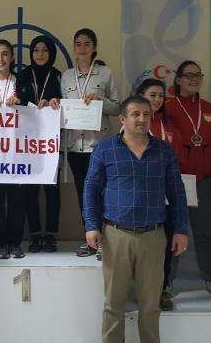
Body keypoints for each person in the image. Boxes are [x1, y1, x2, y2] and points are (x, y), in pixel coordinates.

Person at [83, 96, 188, 343]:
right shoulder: (105, 149)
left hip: (153, 236)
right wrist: (91, 226)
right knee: (113, 304)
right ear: (123, 119)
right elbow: (90, 190)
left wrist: (181, 229)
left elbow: (177, 193)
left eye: (146, 114)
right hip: (115, 235)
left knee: (150, 306)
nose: (142, 119)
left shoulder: (163, 150)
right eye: (136, 114)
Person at [164, 60, 211, 299]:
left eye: (198, 75)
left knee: (205, 232)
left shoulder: (210, 109)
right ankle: (166, 283)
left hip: (205, 180)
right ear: (178, 79)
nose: (194, 79)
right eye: (188, 75)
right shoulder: (168, 108)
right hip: (177, 180)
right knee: (173, 232)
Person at [61, 28, 120, 257]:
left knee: (102, 193)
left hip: (99, 146)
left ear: (94, 47)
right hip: (75, 145)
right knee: (83, 195)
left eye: (87, 44)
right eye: (78, 44)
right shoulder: (66, 76)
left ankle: (107, 242)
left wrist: (100, 100)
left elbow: (118, 108)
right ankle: (91, 240)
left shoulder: (105, 73)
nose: (82, 48)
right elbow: (62, 110)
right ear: (74, 48)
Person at [134, 78, 184, 311]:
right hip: (143, 196)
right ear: (141, 96)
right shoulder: (134, 124)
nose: (157, 100)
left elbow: (178, 156)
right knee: (142, 246)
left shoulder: (170, 124)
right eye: (152, 95)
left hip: (168, 194)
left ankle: (162, 288)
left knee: (166, 244)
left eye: (160, 96)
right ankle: (140, 290)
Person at [17, 35, 62, 253]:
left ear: (51, 53)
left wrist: (57, 101)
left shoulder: (58, 76)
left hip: (50, 142)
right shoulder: (23, 75)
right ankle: (34, 234)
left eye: (44, 50)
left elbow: (67, 104)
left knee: (52, 190)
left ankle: (51, 235)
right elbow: (18, 102)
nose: (40, 54)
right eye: (36, 50)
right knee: (30, 190)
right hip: (26, 142)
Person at [0, 39, 24, 259]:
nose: (0, 59)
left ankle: (15, 242)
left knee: (17, 198)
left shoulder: (21, 82)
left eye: (5, 54)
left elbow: (33, 109)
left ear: (12, 58)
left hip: (18, 150)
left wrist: (21, 102)